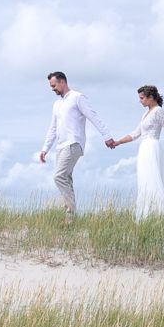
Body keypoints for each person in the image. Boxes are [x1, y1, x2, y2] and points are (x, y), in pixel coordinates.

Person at [37, 70, 115, 220]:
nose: (52, 89)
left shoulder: (77, 97)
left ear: (62, 82)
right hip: (60, 146)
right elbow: (52, 128)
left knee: (59, 176)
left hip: (73, 143)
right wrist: (45, 149)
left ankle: (70, 213)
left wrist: (107, 136)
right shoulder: (57, 104)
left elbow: (93, 116)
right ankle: (70, 220)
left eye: (53, 85)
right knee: (66, 179)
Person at [110, 85, 164, 222]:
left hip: (153, 147)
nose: (140, 101)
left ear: (151, 97)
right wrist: (118, 142)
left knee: (154, 179)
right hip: (144, 148)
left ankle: (161, 215)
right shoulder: (146, 114)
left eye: (142, 98)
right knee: (145, 181)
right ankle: (149, 215)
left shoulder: (158, 111)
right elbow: (135, 133)